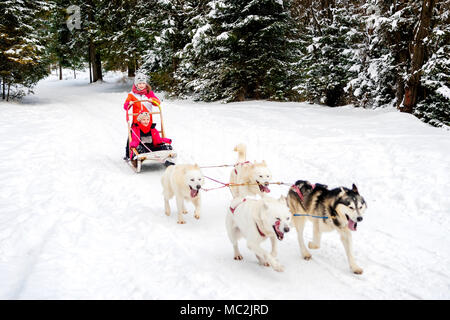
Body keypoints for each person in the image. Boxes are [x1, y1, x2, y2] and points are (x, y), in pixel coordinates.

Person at [124, 72, 161, 159]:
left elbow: (158, 102)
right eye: (139, 83)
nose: (141, 85)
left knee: (152, 134)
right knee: (133, 135)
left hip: (148, 120)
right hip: (137, 121)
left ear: (146, 84)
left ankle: (154, 150)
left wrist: (153, 100)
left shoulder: (149, 93)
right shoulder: (131, 95)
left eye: (143, 83)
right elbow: (125, 106)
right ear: (136, 84)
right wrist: (129, 103)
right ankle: (128, 153)